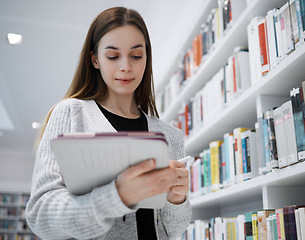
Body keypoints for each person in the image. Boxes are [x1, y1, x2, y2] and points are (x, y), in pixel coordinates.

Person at [26, 6, 191, 240]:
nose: (125, 66)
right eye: (113, 56)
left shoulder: (169, 136)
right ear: (94, 59)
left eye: (136, 55)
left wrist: (177, 200)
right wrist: (116, 197)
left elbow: (172, 230)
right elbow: (40, 216)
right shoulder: (71, 114)